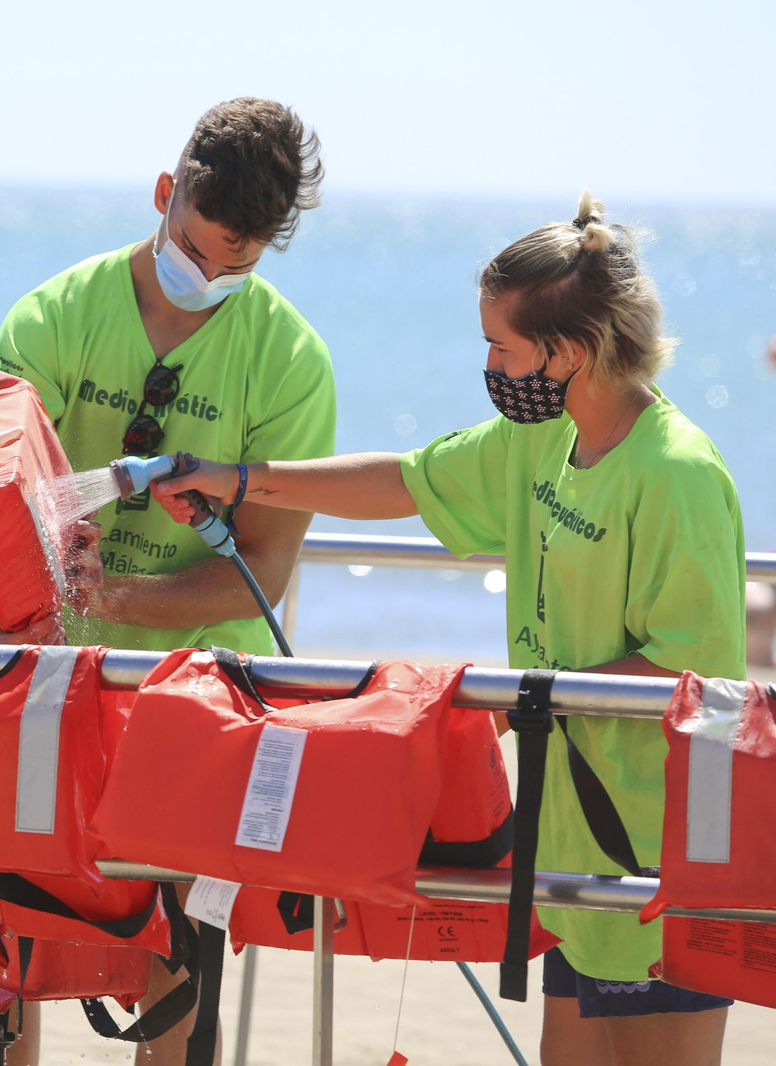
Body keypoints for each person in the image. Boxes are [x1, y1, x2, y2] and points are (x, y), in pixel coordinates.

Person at [154, 191, 743, 1066]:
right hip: (568, 849)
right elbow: (404, 481)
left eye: (500, 347)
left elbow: (698, 677)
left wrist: (517, 705)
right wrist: (236, 480)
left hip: (660, 859)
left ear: (570, 351)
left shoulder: (677, 476)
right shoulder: (539, 440)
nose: (491, 364)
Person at [0, 98, 334, 1066]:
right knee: (3, 935)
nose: (208, 278)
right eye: (197, 249)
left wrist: (115, 599)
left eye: (237, 265)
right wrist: (51, 579)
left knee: (182, 949)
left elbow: (260, 573)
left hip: (199, 689)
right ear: (166, 194)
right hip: (43, 671)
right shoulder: (51, 317)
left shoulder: (290, 360)